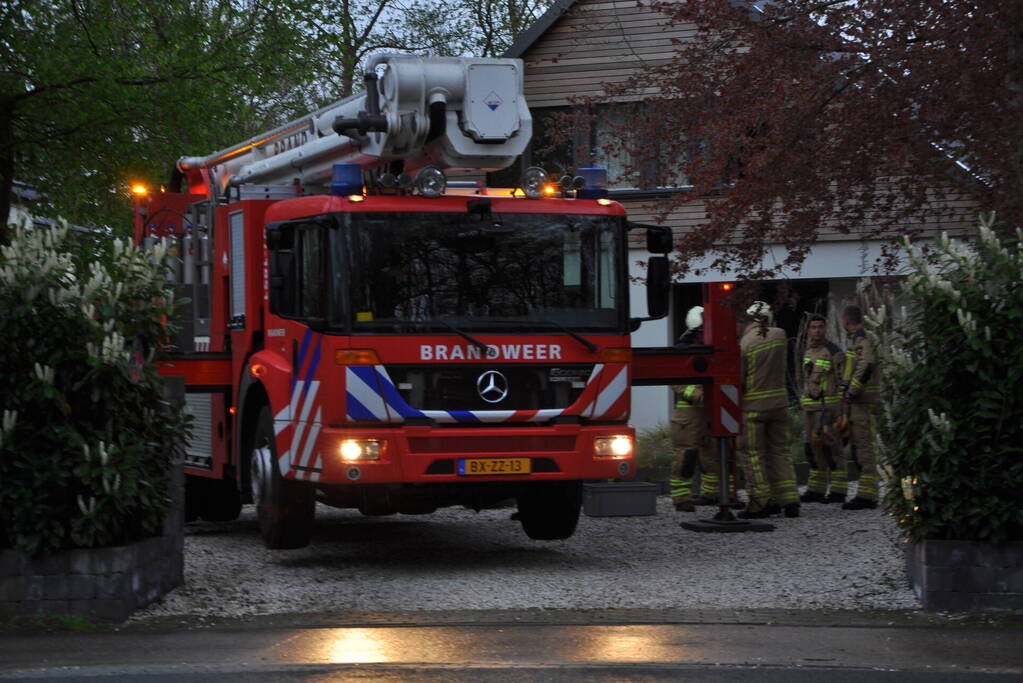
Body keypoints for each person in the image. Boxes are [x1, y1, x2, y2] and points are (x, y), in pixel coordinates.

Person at [737, 301, 800, 518]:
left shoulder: (745, 343)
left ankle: (760, 502)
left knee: (753, 454)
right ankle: (790, 499)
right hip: (780, 405)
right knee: (780, 452)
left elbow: (740, 379)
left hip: (754, 409)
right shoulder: (780, 335)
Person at [669, 307, 719, 511]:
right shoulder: (682, 351)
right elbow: (675, 381)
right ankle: (681, 498)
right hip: (688, 414)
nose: (705, 334)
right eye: (702, 331)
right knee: (686, 456)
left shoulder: (711, 348)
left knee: (712, 455)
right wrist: (696, 393)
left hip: (709, 411)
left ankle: (711, 494)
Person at [799, 314, 847, 504]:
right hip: (811, 409)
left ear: (825, 329)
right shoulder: (808, 351)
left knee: (832, 449)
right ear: (808, 330)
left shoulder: (833, 351)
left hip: (828, 409)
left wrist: (840, 410)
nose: (817, 331)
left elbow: (842, 380)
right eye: (813, 327)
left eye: (820, 327)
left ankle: (838, 490)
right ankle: (816, 489)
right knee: (813, 449)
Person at [839, 305, 881, 510]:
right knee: (860, 446)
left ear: (846, 321)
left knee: (864, 447)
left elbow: (866, 366)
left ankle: (867, 495)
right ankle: (866, 492)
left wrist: (851, 391)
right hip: (858, 401)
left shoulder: (862, 340)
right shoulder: (857, 340)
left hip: (862, 401)